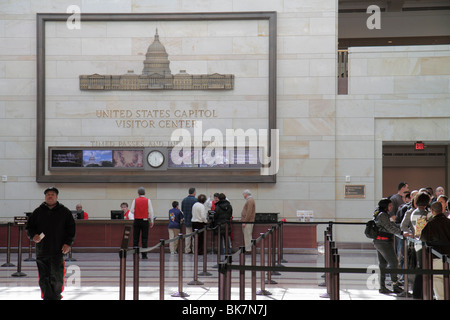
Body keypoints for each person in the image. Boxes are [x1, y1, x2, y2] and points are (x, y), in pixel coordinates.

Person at [26, 187, 76, 300]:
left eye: (52, 194)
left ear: (56, 197)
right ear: (45, 197)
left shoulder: (65, 212)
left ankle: (56, 296)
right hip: (42, 250)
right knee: (44, 276)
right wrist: (33, 236)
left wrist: (68, 243)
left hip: (58, 250)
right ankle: (47, 296)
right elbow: (29, 227)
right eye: (48, 194)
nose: (50, 196)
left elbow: (71, 229)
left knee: (57, 275)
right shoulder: (38, 212)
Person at [400, 191, 432, 298]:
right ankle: (419, 292)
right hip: (424, 243)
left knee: (420, 266)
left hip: (417, 243)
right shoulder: (426, 214)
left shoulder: (413, 213)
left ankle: (419, 292)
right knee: (423, 267)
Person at [372, 198, 405, 295]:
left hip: (380, 241)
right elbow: (389, 227)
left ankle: (382, 287)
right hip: (383, 242)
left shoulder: (381, 214)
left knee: (382, 264)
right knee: (394, 262)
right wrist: (402, 233)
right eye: (390, 205)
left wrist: (400, 229)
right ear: (385, 206)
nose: (392, 207)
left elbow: (391, 225)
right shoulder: (382, 215)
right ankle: (395, 285)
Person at [420, 201, 450, 300]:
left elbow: (423, 238)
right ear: (442, 209)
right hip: (449, 256)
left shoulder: (430, 224)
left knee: (438, 279)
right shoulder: (448, 222)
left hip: (436, 256)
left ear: (432, 211)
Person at [130, 187, 155, 259]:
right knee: (144, 238)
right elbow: (151, 211)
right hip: (145, 221)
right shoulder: (148, 200)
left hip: (137, 220)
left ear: (138, 194)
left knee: (135, 238)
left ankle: (135, 254)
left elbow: (131, 210)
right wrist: (152, 221)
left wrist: (137, 212)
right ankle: (144, 255)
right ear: (145, 193)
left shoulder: (135, 200)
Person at [181, 187, 197, 254]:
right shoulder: (196, 200)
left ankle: (187, 250)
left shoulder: (184, 200)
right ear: (194, 192)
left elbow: (182, 210)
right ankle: (194, 250)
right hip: (194, 221)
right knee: (194, 237)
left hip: (187, 221)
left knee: (187, 237)